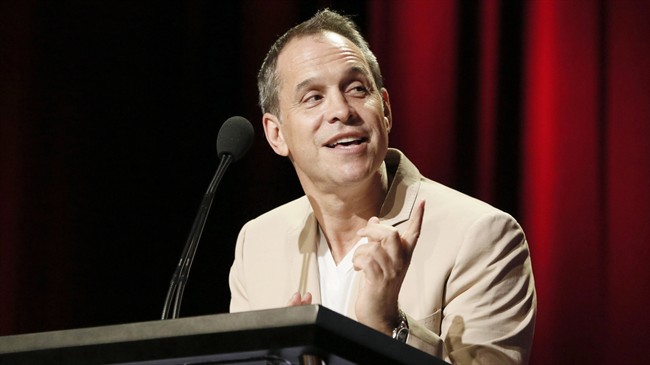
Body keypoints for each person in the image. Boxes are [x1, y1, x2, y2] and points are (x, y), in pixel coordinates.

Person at [229, 9, 536, 364]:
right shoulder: (258, 244)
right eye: (313, 97)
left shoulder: (482, 236)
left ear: (386, 109)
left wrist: (388, 325)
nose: (342, 111)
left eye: (357, 89)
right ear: (276, 134)